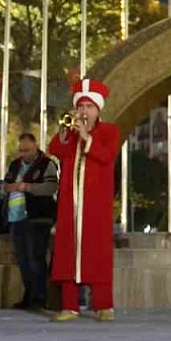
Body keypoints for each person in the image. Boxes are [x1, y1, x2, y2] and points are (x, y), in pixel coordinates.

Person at [49, 79, 120, 323]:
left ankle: (104, 305)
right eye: (81, 106)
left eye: (89, 106)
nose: (84, 111)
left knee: (97, 252)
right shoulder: (70, 132)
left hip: (96, 205)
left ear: (98, 109)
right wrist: (65, 132)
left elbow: (107, 155)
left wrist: (86, 136)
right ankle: (69, 306)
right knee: (67, 253)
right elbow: (55, 150)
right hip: (70, 204)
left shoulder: (109, 131)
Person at [2, 133, 59, 309]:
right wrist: (8, 187)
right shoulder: (15, 164)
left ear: (35, 147)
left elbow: (51, 187)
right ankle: (29, 294)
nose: (23, 154)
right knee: (23, 259)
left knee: (36, 258)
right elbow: (6, 184)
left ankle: (39, 296)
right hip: (16, 217)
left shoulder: (46, 164)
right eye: (21, 150)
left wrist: (27, 187)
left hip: (38, 217)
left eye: (27, 150)